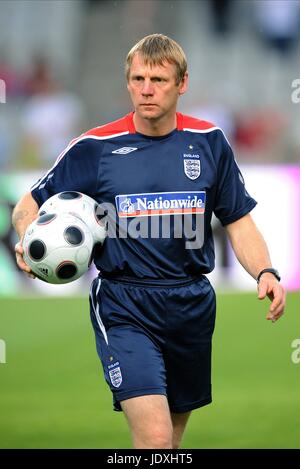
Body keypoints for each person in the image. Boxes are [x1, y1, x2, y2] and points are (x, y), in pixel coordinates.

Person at [12, 34, 286, 449]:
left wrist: (265, 270)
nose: (146, 88)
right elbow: (27, 205)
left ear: (183, 83)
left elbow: (239, 222)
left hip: (190, 303)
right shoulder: (95, 148)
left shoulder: (210, 143)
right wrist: (26, 240)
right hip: (123, 303)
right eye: (138, 78)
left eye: (158, 79)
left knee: (168, 445)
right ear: (127, 82)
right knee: (156, 440)